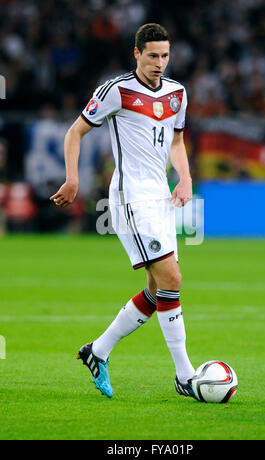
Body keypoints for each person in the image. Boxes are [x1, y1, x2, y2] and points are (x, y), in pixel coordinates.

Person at [50, 23, 196, 399]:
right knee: (172, 278)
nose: (160, 63)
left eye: (165, 55)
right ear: (137, 54)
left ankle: (97, 351)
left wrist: (185, 178)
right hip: (131, 198)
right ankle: (184, 375)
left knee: (156, 288)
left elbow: (177, 140)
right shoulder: (117, 90)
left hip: (161, 196)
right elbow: (74, 132)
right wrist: (72, 179)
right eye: (152, 56)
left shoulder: (178, 93)